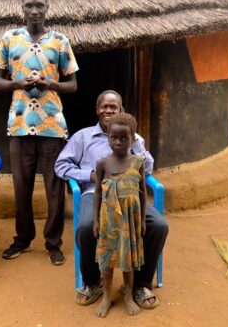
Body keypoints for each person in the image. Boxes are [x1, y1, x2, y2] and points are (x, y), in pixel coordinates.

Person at [54, 90, 168, 308]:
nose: (108, 110)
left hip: (131, 196)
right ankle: (92, 283)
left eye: (113, 107)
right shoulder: (83, 137)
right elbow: (60, 165)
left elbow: (148, 168)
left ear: (120, 110)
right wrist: (88, 175)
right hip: (95, 193)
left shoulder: (133, 138)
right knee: (87, 227)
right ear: (97, 110)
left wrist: (135, 144)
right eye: (104, 106)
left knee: (159, 225)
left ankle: (140, 285)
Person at [0, 0, 79, 265]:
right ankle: (22, 239)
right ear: (22, 8)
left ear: (47, 8)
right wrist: (16, 83)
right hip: (19, 125)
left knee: (55, 186)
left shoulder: (60, 41)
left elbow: (73, 84)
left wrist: (51, 83)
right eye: (29, 5)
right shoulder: (9, 39)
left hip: (52, 126)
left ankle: (53, 243)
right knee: (22, 186)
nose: (34, 10)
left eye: (39, 5)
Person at [92, 113, 146, 317]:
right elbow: (97, 192)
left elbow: (142, 195)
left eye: (124, 138)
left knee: (127, 261)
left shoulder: (138, 163)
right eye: (114, 137)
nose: (118, 142)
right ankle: (106, 296)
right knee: (106, 262)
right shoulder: (102, 163)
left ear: (132, 139)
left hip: (129, 222)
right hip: (108, 221)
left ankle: (128, 295)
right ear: (107, 137)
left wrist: (141, 222)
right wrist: (96, 220)